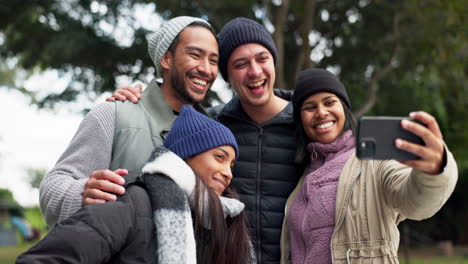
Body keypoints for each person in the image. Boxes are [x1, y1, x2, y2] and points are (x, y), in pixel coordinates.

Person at [109, 17, 303, 264]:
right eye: (240, 64)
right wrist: (136, 101)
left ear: (274, 61)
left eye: (262, 59)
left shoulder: (306, 123)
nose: (254, 71)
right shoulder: (210, 125)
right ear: (226, 75)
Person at [39, 16, 220, 228]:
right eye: (195, 55)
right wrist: (82, 193)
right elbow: (52, 186)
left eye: (214, 61)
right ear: (166, 59)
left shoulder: (216, 134)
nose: (206, 69)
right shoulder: (114, 114)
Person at [18, 105, 253, 264]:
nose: (228, 173)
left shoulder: (224, 221)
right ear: (186, 155)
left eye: (232, 165)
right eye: (220, 157)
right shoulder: (135, 201)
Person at [280, 68, 458, 264]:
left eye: (330, 102)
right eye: (310, 107)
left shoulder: (374, 163)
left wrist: (433, 170)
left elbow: (416, 202)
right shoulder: (302, 176)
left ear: (344, 109)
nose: (321, 112)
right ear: (300, 119)